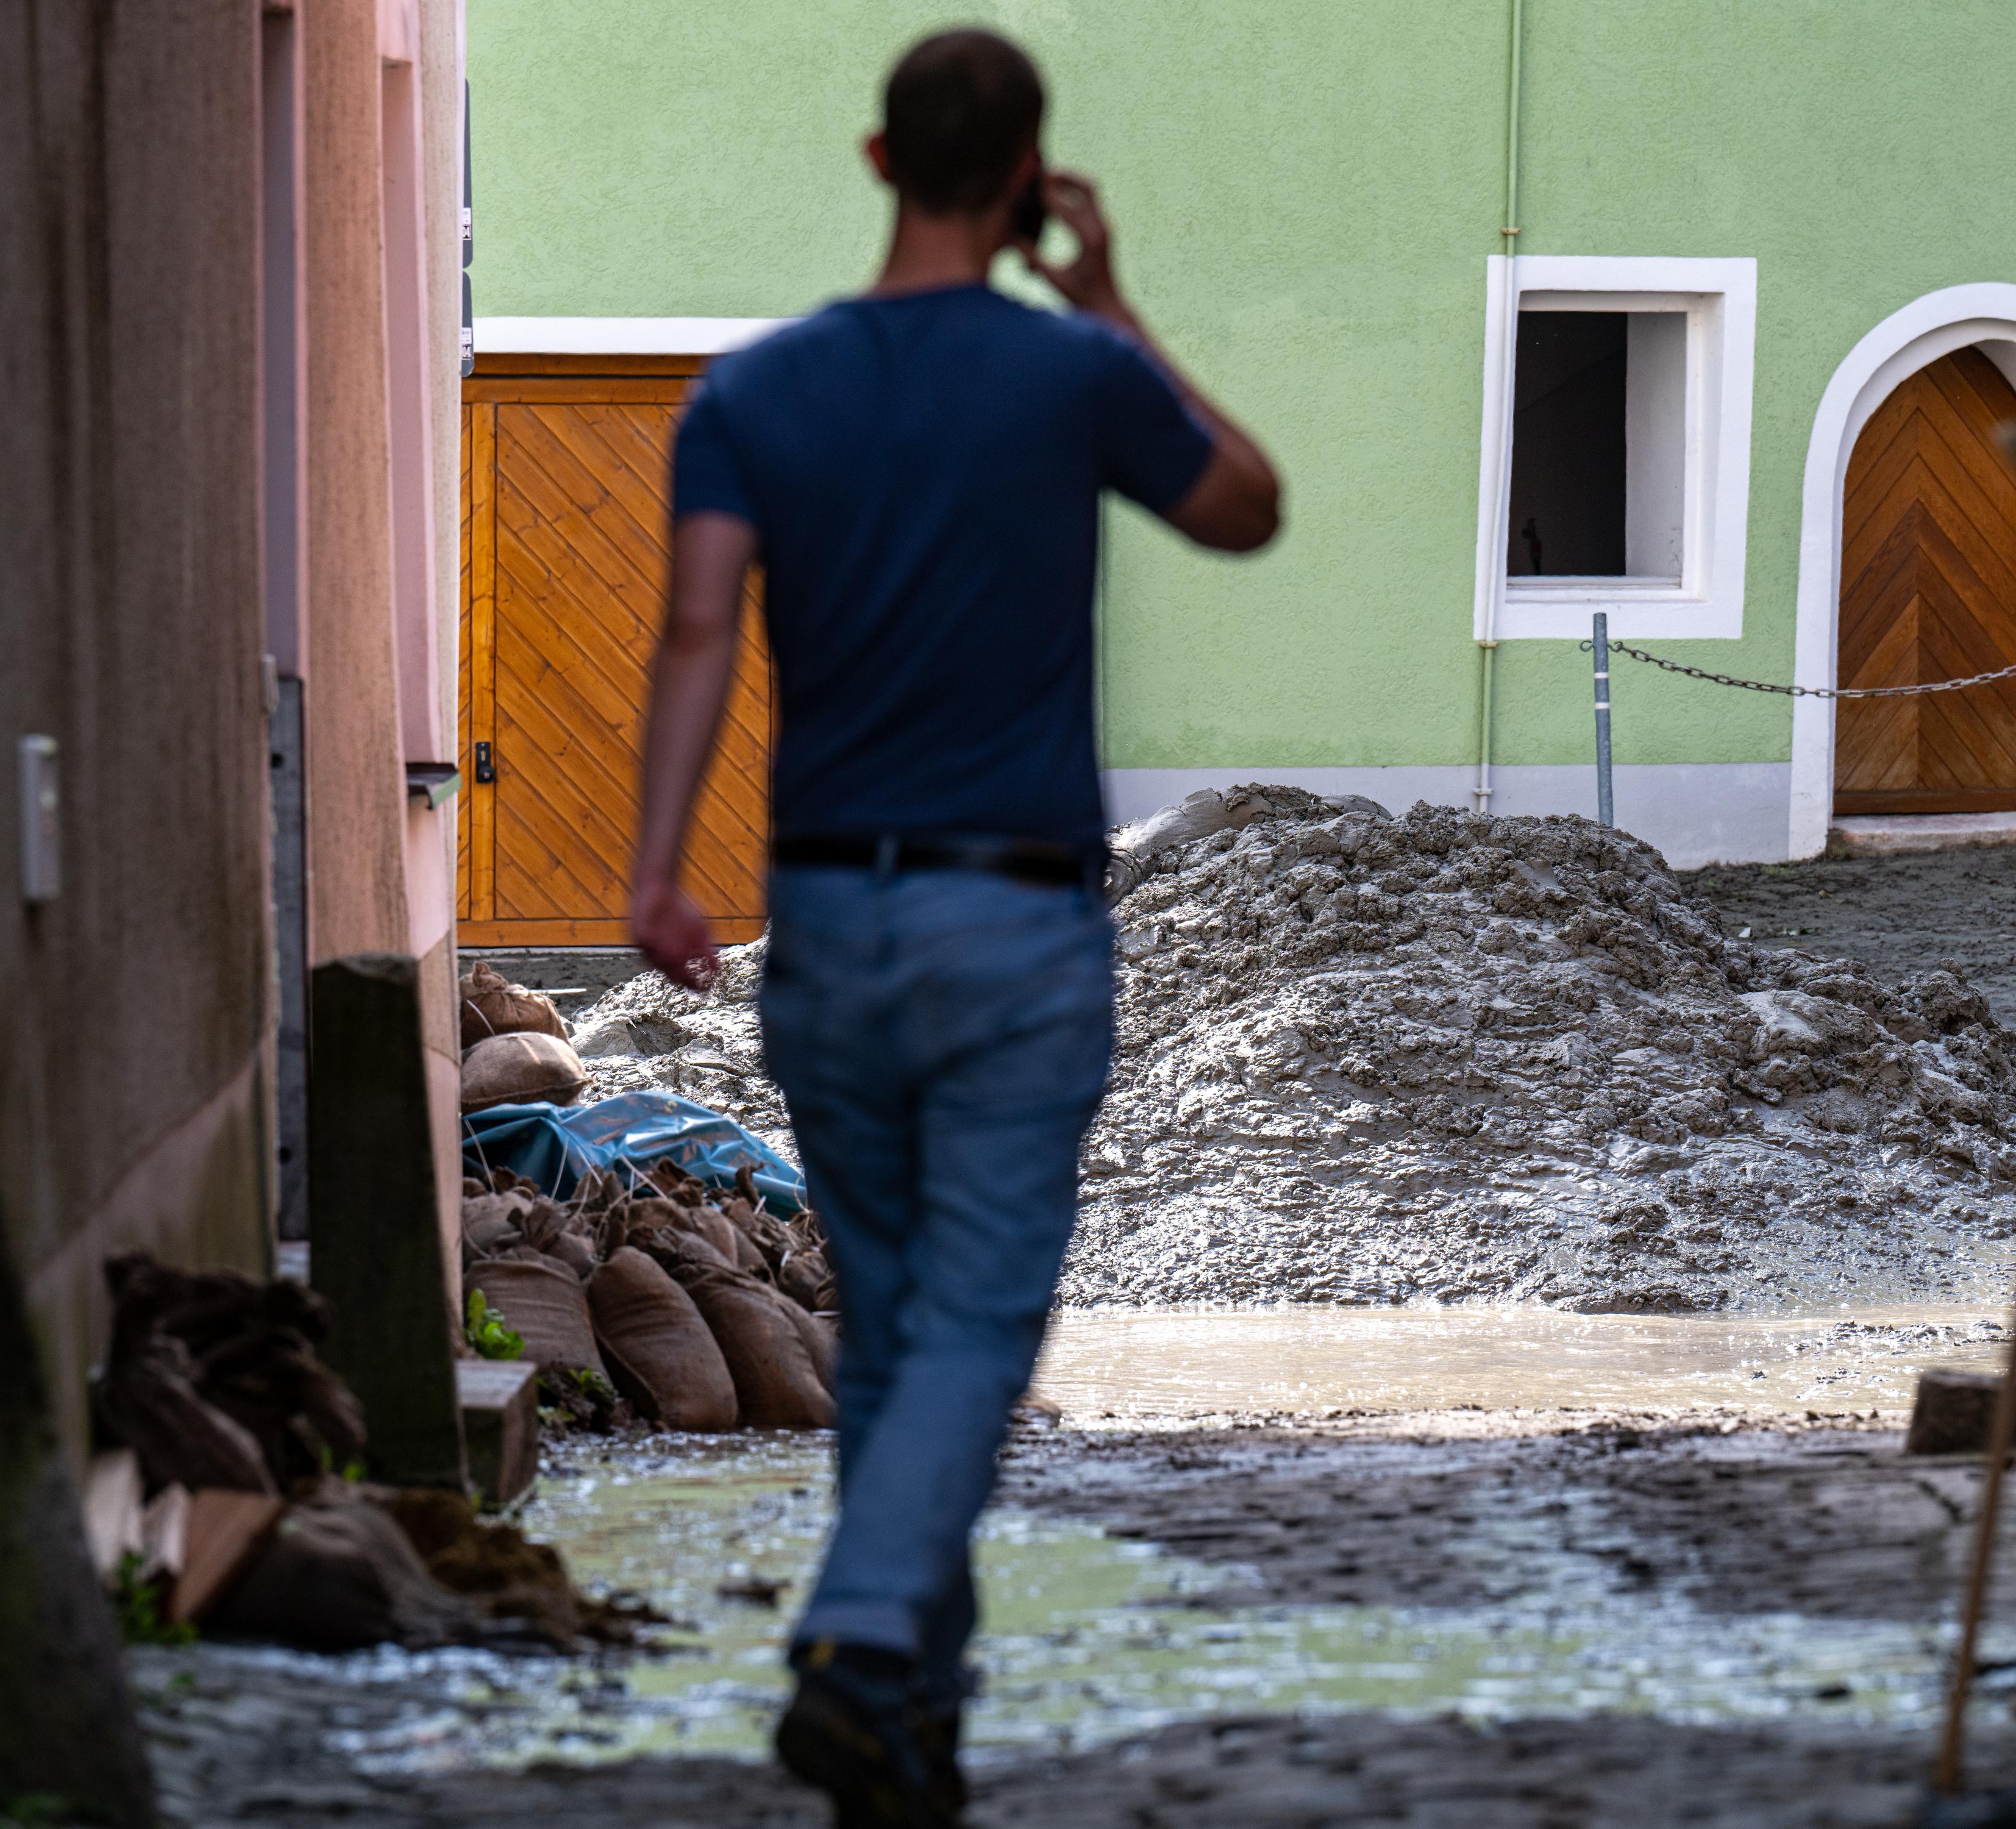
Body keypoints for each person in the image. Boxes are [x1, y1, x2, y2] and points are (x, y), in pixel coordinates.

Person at [625, 27, 1280, 1826]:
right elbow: (1247, 509)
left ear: (875, 159)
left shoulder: (752, 394)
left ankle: (910, 1720)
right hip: (1013, 922)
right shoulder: (1075, 376)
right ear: (1027, 184)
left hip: (830, 917)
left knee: (899, 1324)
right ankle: (858, 1648)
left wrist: (656, 867)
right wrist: (1111, 298)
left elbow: (697, 628)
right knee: (977, 1319)